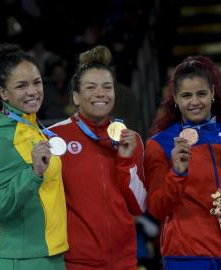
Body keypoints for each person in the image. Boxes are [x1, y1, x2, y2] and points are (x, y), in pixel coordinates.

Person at [145, 56, 221, 269]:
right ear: (175, 98)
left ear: (212, 93)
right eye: (186, 95)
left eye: (201, 93)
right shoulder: (160, 144)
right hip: (186, 257)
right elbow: (157, 208)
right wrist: (177, 172)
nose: (195, 102)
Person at [49, 45, 146, 270]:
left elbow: (139, 205)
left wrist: (125, 159)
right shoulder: (54, 138)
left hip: (125, 262)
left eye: (107, 87)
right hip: (76, 262)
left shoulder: (131, 139)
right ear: (76, 96)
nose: (100, 93)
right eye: (90, 87)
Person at [0, 44, 68, 269]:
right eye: (21, 86)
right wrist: (33, 173)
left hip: (51, 256)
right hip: (22, 260)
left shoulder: (34, 129)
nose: (32, 91)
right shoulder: (0, 139)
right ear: (3, 93)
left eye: (37, 82)